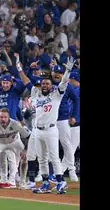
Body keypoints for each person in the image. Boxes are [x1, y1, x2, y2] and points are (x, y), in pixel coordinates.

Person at [17, 54, 76, 194]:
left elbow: (63, 83)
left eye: (47, 83)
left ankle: (61, 181)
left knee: (54, 157)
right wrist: (19, 66)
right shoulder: (35, 93)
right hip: (37, 130)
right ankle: (45, 183)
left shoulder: (56, 94)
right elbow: (26, 81)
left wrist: (67, 72)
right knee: (42, 159)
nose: (44, 85)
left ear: (51, 86)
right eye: (43, 83)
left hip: (50, 130)